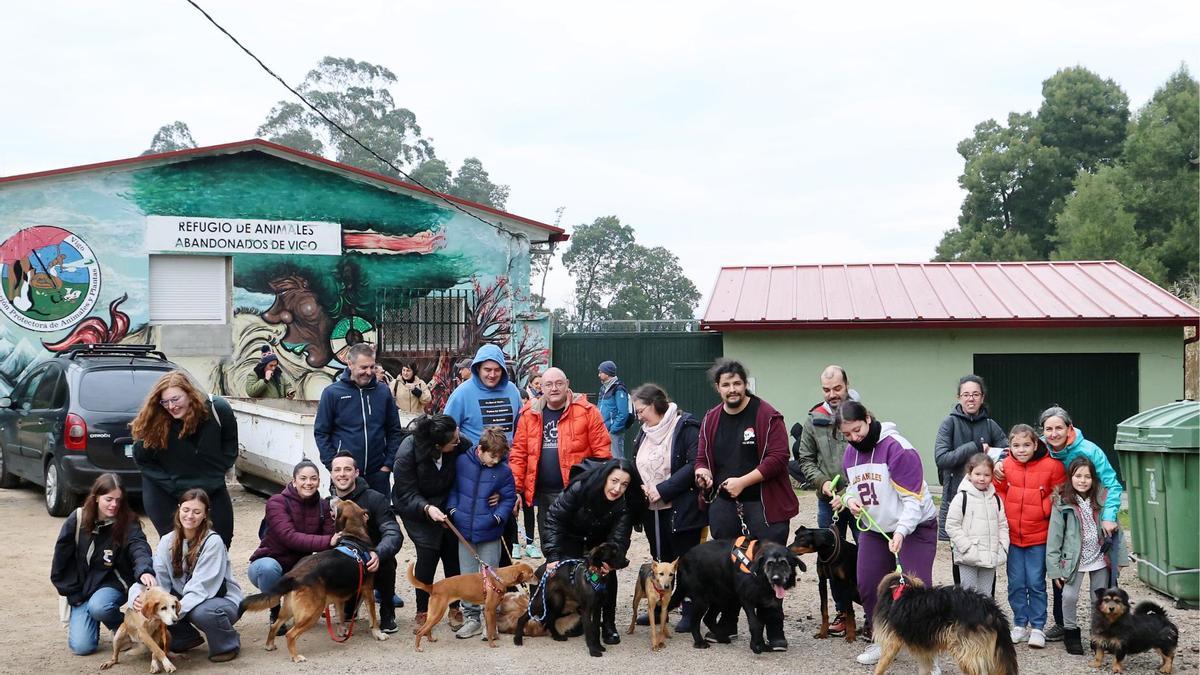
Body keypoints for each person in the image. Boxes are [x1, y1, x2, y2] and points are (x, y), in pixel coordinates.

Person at [833, 400, 939, 667]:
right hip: (876, 528)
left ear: (868, 419)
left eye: (857, 430)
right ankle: (883, 640)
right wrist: (849, 501)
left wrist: (902, 532)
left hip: (915, 527)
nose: (854, 438)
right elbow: (854, 489)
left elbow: (913, 502)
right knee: (869, 585)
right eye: (847, 434)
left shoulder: (899, 450)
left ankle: (927, 652)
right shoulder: (850, 454)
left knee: (916, 590)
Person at [1036, 405, 1125, 644]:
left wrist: (1108, 515)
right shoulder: (1041, 447)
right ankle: (1063, 624)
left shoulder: (1089, 451)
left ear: (1069, 428)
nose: (1053, 434)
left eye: (1058, 428)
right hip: (1056, 513)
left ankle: (1101, 629)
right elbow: (1015, 452)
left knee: (1096, 581)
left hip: (1088, 518)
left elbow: (1112, 485)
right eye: (1048, 429)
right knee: (1063, 571)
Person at [129, 489, 243, 662]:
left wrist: (173, 609)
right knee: (153, 600)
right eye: (186, 510)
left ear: (205, 515)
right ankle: (186, 637)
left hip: (216, 599)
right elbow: (157, 578)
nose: (190, 516)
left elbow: (201, 587)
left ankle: (227, 644)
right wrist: (140, 598)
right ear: (179, 509)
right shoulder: (167, 540)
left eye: (197, 512)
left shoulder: (213, 542)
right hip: (181, 600)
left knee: (202, 612)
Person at [694, 359, 798, 545]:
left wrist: (742, 482)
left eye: (737, 383)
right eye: (726, 384)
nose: (732, 389)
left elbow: (778, 458)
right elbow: (702, 458)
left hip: (764, 506)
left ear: (745, 384)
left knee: (767, 568)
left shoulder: (768, 415)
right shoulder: (710, 419)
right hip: (724, 507)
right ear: (718, 387)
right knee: (728, 568)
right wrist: (703, 473)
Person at [543, 458, 644, 646]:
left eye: (624, 484)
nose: (617, 489)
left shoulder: (625, 503)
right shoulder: (580, 488)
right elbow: (554, 519)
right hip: (571, 535)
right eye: (614, 481)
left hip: (600, 539)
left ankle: (608, 624)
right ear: (605, 477)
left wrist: (611, 563)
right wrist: (553, 555)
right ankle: (578, 617)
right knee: (572, 575)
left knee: (606, 576)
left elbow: (619, 538)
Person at [51, 474, 155, 656]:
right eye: (109, 499)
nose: (114, 505)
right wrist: (73, 593)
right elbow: (60, 562)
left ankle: (125, 628)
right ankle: (100, 622)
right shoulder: (77, 519)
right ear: (97, 497)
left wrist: (144, 570)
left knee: (99, 606)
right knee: (82, 648)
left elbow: (139, 547)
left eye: (118, 500)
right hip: (82, 590)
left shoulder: (127, 522)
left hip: (110, 585)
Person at [131, 371, 237, 547]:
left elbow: (230, 444)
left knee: (221, 538)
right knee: (176, 544)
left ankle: (214, 573)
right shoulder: (156, 420)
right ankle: (179, 573)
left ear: (189, 394)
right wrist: (172, 484)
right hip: (166, 488)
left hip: (210, 484)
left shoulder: (218, 410)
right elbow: (142, 460)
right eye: (165, 402)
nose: (171, 406)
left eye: (175, 399)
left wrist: (217, 473)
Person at [509, 367, 612, 549]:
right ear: (542, 388)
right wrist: (516, 489)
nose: (554, 388)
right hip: (544, 495)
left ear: (567, 385)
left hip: (578, 494)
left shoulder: (588, 412)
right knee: (550, 547)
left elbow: (602, 454)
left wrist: (594, 489)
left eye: (559, 383)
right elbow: (519, 454)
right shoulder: (529, 414)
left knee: (581, 547)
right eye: (548, 384)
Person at [630, 383, 704, 632]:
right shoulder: (643, 432)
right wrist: (641, 488)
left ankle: (690, 611)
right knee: (660, 560)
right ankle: (662, 606)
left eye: (641, 410)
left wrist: (662, 489)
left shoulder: (686, 427)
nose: (638, 415)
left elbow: (694, 464)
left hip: (681, 507)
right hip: (652, 509)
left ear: (655, 405)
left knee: (685, 561)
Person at [796, 364, 861, 636]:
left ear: (847, 385)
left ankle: (873, 610)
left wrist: (851, 492)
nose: (832, 394)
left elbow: (870, 455)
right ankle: (842, 612)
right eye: (826, 389)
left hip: (859, 498)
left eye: (837, 388)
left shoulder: (861, 415)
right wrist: (822, 483)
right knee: (830, 558)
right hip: (827, 499)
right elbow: (806, 459)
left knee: (868, 553)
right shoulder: (814, 418)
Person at [392, 414, 470, 632]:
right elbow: (405, 492)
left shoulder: (458, 442)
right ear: (437, 445)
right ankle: (422, 610)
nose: (459, 441)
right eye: (453, 441)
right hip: (415, 507)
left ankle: (455, 606)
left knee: (452, 553)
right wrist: (426, 508)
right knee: (428, 554)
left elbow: (475, 463)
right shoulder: (407, 453)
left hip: (447, 503)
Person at [994, 423, 1066, 650]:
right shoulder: (1004, 465)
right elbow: (998, 489)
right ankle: (1019, 623)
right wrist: (1007, 507)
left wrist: (1043, 507)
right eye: (1016, 445)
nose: (1021, 450)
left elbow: (1060, 492)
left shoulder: (1052, 466)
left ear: (1036, 444)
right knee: (1015, 583)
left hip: (1039, 537)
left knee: (1035, 582)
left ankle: (1037, 626)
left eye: (1026, 445)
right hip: (1013, 537)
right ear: (1010, 447)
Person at [1046, 456, 1127, 656]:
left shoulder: (1102, 499)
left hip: (1099, 558)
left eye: (1087, 476)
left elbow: (1119, 532)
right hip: (1074, 560)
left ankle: (1097, 634)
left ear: (1094, 478)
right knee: (1069, 596)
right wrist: (1055, 569)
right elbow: (1054, 539)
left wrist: (1120, 560)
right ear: (1070, 477)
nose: (1083, 480)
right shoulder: (1062, 502)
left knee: (1097, 598)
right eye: (1078, 476)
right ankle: (1071, 633)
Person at [247, 460, 335, 633]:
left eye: (313, 478)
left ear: (319, 481)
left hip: (300, 565)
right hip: (269, 562)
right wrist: (329, 541)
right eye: (303, 478)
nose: (308, 483)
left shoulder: (323, 505)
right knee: (268, 568)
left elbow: (329, 539)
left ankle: (305, 607)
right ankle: (275, 611)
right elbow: (289, 537)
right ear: (294, 481)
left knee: (321, 565)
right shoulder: (276, 502)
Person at [446, 427, 517, 639]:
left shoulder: (503, 471)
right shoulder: (461, 463)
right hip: (464, 531)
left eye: (500, 457)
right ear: (480, 449)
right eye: (492, 456)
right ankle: (471, 618)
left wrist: (497, 518)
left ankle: (490, 620)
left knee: (492, 577)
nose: (496, 461)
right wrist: (453, 511)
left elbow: (508, 498)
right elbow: (454, 490)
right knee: (468, 577)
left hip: (490, 531)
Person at [330, 450, 405, 634]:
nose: (342, 474)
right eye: (337, 470)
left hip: (372, 559)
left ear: (356, 473)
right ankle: (347, 604)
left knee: (385, 562)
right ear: (331, 474)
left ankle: (387, 611)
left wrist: (378, 553)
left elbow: (393, 532)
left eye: (347, 469)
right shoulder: (327, 502)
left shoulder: (375, 498)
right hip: (344, 563)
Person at [314, 342, 403, 496]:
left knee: (378, 519)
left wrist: (387, 465)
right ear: (350, 364)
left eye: (372, 367)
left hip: (378, 475)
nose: (369, 372)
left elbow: (394, 430)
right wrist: (334, 466)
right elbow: (321, 433)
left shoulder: (383, 392)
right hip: (345, 477)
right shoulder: (332, 393)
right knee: (346, 520)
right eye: (363, 367)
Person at [933, 375, 1007, 550]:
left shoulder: (990, 425)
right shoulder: (949, 423)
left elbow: (1007, 453)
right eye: (966, 394)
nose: (971, 398)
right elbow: (942, 458)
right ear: (959, 397)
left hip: (985, 498)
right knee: (959, 551)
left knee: (986, 548)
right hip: (957, 497)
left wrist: (998, 462)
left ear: (982, 398)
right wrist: (974, 447)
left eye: (975, 394)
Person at [944, 453, 1008, 596]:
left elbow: (1003, 525)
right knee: (968, 598)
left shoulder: (996, 499)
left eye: (986, 475)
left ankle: (985, 620)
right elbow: (952, 525)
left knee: (986, 597)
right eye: (977, 474)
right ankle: (966, 620)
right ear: (970, 473)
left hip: (990, 556)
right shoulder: (962, 497)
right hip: (968, 558)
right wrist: (967, 547)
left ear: (992, 476)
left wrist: (1003, 547)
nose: (981, 478)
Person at [443, 344, 523, 444]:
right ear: (478, 369)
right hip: (472, 458)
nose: (492, 375)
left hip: (508, 458)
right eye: (487, 370)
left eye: (497, 370)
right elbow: (446, 430)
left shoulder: (512, 391)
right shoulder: (462, 393)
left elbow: (521, 428)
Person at [597, 360, 631, 459]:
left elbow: (623, 413)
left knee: (617, 458)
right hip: (604, 430)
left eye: (601, 372)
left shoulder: (618, 388)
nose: (599, 375)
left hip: (613, 431)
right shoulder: (603, 388)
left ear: (607, 373)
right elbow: (599, 407)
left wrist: (614, 429)